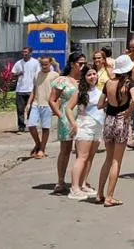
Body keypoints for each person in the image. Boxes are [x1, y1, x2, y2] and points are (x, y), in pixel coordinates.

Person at [98, 55, 134, 207]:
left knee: (108, 159)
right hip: (121, 120)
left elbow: (99, 104)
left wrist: (108, 103)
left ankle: (100, 193)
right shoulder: (130, 83)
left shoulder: (108, 83)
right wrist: (129, 111)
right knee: (116, 161)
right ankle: (110, 196)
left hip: (109, 120)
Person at [50, 52, 85, 195]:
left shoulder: (85, 79)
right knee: (65, 149)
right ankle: (60, 180)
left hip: (83, 116)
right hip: (66, 116)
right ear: (72, 64)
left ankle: (79, 181)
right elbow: (52, 100)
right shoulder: (62, 80)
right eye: (79, 63)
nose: (82, 66)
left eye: (84, 63)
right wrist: (60, 115)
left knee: (82, 151)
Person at [69, 65, 104, 201]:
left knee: (90, 157)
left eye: (94, 74)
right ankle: (74, 187)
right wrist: (73, 123)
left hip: (97, 125)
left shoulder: (99, 91)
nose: (92, 77)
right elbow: (68, 108)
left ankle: (83, 183)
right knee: (82, 157)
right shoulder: (80, 92)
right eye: (89, 74)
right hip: (85, 125)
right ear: (84, 77)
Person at [26, 55, 58, 159]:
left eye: (46, 64)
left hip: (47, 104)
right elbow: (34, 90)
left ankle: (42, 149)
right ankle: (38, 143)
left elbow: (59, 89)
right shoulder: (37, 75)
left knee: (45, 127)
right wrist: (28, 103)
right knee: (31, 125)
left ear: (50, 64)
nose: (44, 66)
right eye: (42, 64)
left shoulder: (54, 75)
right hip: (36, 103)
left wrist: (56, 105)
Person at [11, 47, 39, 133]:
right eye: (23, 52)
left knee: (31, 108)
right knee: (20, 109)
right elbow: (13, 74)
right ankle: (21, 126)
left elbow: (38, 74)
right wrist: (18, 74)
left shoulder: (35, 63)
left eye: (26, 52)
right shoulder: (18, 63)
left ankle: (31, 125)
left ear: (30, 53)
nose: (24, 54)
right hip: (20, 90)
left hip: (31, 89)